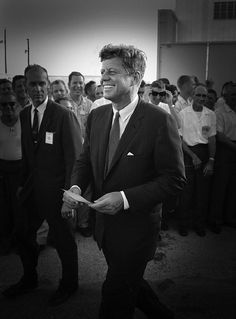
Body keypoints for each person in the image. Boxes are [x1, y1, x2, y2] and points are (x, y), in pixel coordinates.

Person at [62, 44, 185, 319]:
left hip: (137, 232)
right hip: (105, 228)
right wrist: (76, 187)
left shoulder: (159, 121)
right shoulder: (98, 115)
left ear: (136, 77)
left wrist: (125, 198)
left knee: (115, 297)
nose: (103, 77)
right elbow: (84, 160)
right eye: (102, 71)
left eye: (112, 71)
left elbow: (175, 179)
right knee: (129, 282)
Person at [2, 64, 83, 307]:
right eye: (32, 84)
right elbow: (28, 153)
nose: (37, 88)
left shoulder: (63, 115)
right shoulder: (25, 114)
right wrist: (22, 184)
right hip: (31, 190)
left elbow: (74, 160)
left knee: (64, 240)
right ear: (24, 87)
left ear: (48, 85)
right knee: (23, 235)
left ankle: (69, 284)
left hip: (58, 193)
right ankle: (29, 279)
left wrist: (70, 196)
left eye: (41, 83)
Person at [177, 84, 216, 237]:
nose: (201, 99)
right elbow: (179, 139)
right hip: (188, 153)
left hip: (205, 152)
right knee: (186, 192)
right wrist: (193, 156)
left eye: (204, 96)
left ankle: (199, 224)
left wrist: (211, 160)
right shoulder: (183, 114)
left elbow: (212, 139)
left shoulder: (211, 114)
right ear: (192, 96)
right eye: (198, 95)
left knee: (202, 192)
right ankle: (183, 224)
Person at [208, 82, 236, 233]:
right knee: (220, 187)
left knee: (233, 187)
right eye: (231, 95)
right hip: (225, 150)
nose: (234, 97)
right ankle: (215, 219)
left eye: (235, 94)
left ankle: (229, 218)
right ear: (224, 96)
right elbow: (220, 136)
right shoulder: (219, 112)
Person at [0, 92, 22, 255]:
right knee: (4, 208)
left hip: (21, 171)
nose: (8, 107)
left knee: (20, 207)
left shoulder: (25, 122)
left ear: (18, 105)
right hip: (3, 172)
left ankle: (22, 239)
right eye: (4, 104)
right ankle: (6, 240)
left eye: (12, 104)